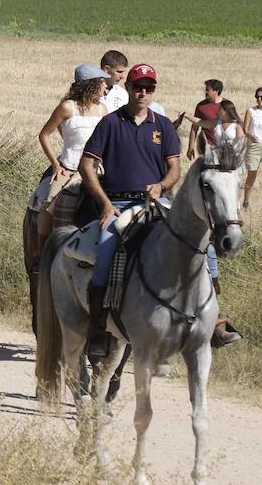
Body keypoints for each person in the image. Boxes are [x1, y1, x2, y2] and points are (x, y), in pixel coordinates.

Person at [78, 63, 184, 359]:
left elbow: (175, 168)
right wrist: (105, 204)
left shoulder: (162, 126)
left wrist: (161, 186)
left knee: (200, 244)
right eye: (138, 86)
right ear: (128, 89)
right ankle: (98, 328)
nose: (143, 92)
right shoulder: (111, 123)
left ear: (154, 91)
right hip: (120, 203)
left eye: (149, 87)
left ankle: (209, 318)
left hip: (155, 203)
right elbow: (86, 166)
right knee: (105, 250)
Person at [30, 64, 110, 254]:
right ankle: (42, 255)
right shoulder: (67, 107)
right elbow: (44, 135)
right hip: (70, 168)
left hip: (97, 170)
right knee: (48, 205)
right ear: (91, 84)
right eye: (102, 82)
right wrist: (56, 165)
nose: (106, 87)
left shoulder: (103, 110)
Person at [184, 79, 226, 159]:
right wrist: (191, 147)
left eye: (208, 90)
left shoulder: (226, 105)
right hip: (206, 147)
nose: (205, 92)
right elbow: (195, 127)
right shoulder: (201, 106)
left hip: (223, 148)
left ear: (216, 91)